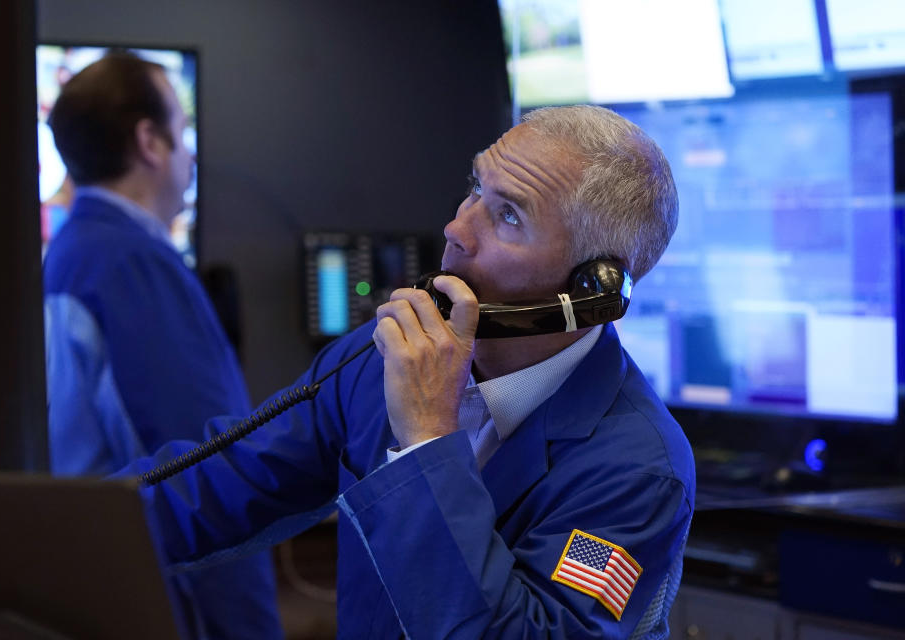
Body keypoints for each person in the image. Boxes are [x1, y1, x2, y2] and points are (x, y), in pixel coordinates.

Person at [130, 104, 693, 639]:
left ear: (590, 289)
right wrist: (69, 529)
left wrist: (427, 439)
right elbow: (221, 485)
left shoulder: (637, 469)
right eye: (476, 189)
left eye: (509, 216)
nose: (456, 229)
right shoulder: (388, 356)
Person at [42, 52, 283, 640]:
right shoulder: (132, 267)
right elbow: (208, 472)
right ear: (150, 141)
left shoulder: (73, 253)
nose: (191, 154)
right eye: (183, 131)